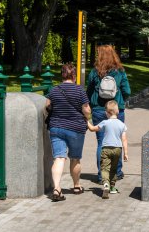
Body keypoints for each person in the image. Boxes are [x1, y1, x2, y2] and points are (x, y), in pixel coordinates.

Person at [46, 63, 91, 201]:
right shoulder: (79, 90)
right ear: (73, 75)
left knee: (59, 158)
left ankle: (57, 188)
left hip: (56, 127)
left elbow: (48, 105)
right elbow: (86, 110)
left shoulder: (54, 90)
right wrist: (87, 118)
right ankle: (76, 186)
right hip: (75, 129)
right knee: (75, 158)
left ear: (62, 75)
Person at [86, 44, 131, 185]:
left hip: (99, 110)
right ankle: (116, 172)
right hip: (117, 111)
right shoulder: (120, 72)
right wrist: (120, 100)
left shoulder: (94, 72)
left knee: (101, 143)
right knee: (117, 141)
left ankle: (101, 175)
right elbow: (127, 91)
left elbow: (88, 91)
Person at [87, 100, 128, 199]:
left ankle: (106, 184)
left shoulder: (105, 122)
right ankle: (113, 187)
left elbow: (92, 129)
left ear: (106, 112)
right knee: (114, 168)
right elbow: (124, 139)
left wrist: (86, 120)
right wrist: (125, 153)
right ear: (117, 111)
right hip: (118, 149)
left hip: (106, 148)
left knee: (105, 168)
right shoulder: (122, 125)